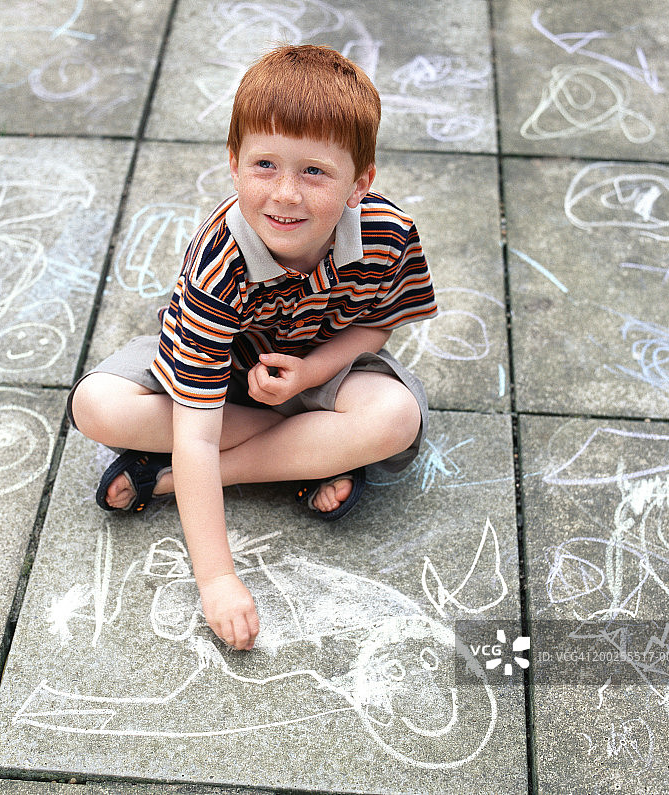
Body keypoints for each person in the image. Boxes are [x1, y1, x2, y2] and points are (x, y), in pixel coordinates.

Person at [68, 44, 437, 652]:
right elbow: (195, 429)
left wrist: (309, 373)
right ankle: (309, 457)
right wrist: (217, 580)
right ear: (234, 163)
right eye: (265, 165)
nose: (286, 194)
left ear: (359, 183)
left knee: (395, 417)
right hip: (221, 374)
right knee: (95, 405)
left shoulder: (388, 234)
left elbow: (376, 327)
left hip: (323, 367)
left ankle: (169, 482)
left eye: (314, 171)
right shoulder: (220, 257)